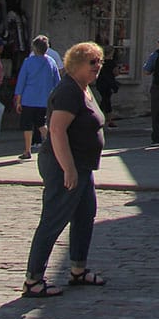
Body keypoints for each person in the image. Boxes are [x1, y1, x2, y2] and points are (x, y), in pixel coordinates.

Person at [22, 40, 108, 297]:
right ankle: (33, 279)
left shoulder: (84, 88)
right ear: (75, 64)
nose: (98, 67)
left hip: (82, 166)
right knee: (53, 219)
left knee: (85, 216)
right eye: (92, 62)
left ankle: (78, 270)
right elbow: (57, 130)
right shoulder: (69, 90)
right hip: (64, 165)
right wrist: (68, 168)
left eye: (100, 62)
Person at [14, 36, 61, 159]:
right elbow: (57, 82)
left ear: (34, 48)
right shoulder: (51, 62)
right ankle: (54, 144)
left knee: (27, 125)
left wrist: (18, 100)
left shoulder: (28, 62)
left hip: (29, 98)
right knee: (41, 123)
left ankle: (27, 150)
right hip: (45, 99)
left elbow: (21, 81)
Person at [93, 40, 119, 127]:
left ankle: (102, 117)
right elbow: (116, 73)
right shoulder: (112, 63)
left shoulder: (100, 62)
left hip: (100, 82)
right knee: (106, 101)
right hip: (108, 83)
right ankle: (106, 119)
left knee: (105, 100)